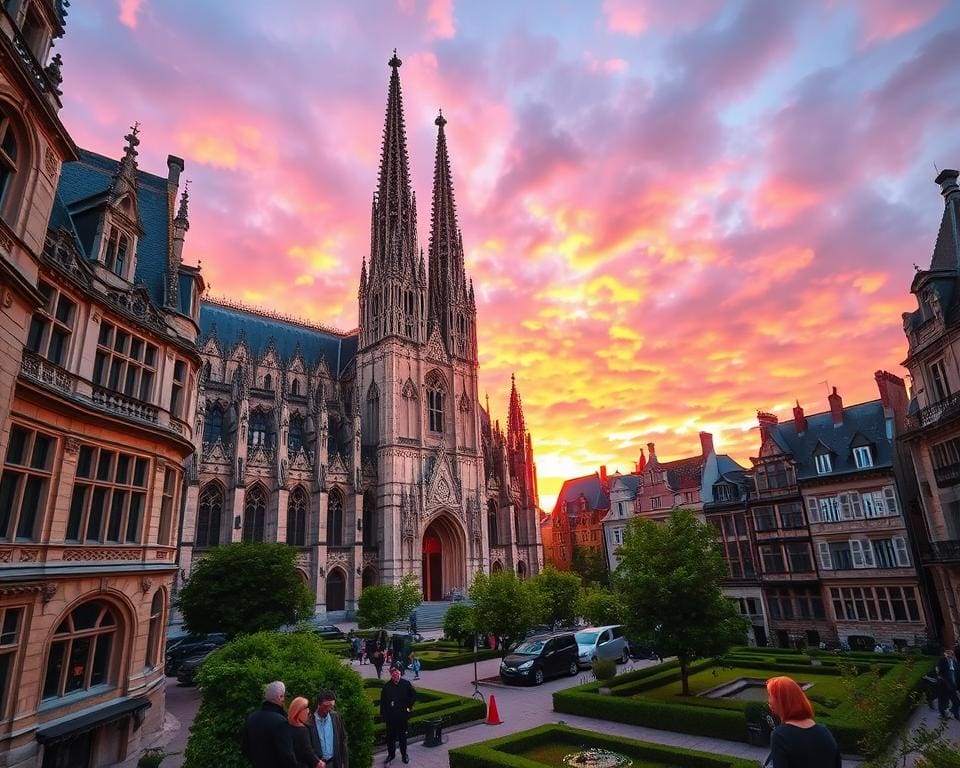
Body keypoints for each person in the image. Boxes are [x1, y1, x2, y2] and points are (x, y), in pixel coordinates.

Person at [764, 676, 841, 768]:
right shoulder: (824, 731)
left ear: (781, 701)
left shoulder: (780, 736)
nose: (768, 701)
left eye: (770, 696)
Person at [241, 680, 299, 768]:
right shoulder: (280, 721)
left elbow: (245, 748)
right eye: (283, 696)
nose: (284, 700)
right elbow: (287, 755)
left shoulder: (251, 718)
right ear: (280, 697)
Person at [303, 689, 350, 768]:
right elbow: (307, 747)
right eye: (325, 706)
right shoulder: (309, 722)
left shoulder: (335, 717)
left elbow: (343, 740)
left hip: (335, 763)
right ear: (319, 704)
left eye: (331, 706)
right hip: (318, 765)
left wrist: (344, 763)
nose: (328, 709)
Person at [380, 664, 416, 765]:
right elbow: (383, 703)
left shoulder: (406, 684)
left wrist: (408, 706)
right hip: (391, 718)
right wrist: (384, 716)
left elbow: (413, 695)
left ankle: (404, 755)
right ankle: (391, 755)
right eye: (393, 674)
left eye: (397, 673)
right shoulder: (386, 687)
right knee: (390, 738)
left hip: (402, 717)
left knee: (402, 737)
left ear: (400, 673)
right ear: (391, 675)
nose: (395, 675)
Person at [288, 696, 323, 768]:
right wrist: (318, 762)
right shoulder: (302, 730)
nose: (308, 711)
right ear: (299, 712)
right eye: (306, 708)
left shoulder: (286, 726)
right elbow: (307, 750)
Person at [936, 648, 960, 719]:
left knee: (956, 702)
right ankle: (943, 714)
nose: (949, 655)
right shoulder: (942, 660)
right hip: (944, 685)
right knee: (943, 701)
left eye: (951, 654)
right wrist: (943, 680)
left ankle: (955, 713)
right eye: (947, 653)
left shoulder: (955, 661)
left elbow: (957, 673)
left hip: (952, 685)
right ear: (945, 654)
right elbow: (938, 672)